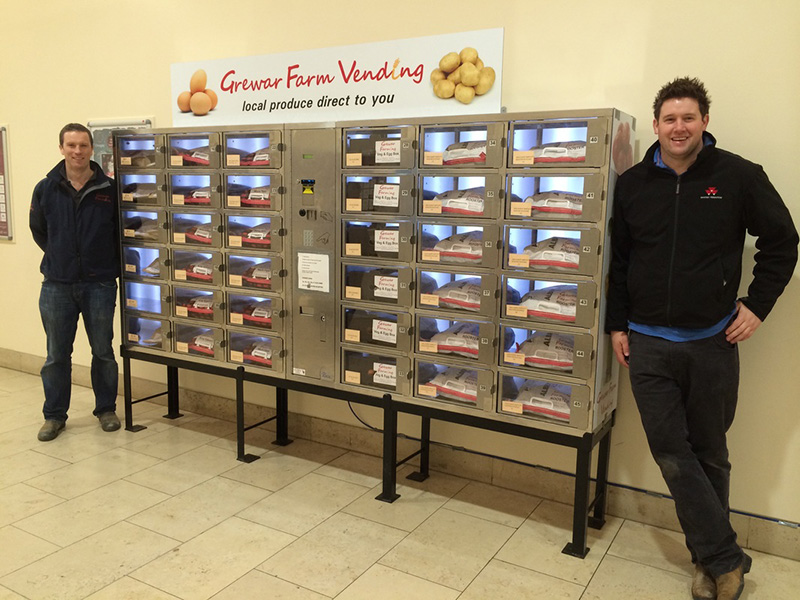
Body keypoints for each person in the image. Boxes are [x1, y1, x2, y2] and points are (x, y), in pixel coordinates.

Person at [606, 78, 798, 600]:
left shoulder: (738, 177)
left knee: (710, 452)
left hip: (713, 343)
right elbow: (620, 261)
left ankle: (707, 561)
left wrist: (756, 306)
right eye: (669, 119)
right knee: (671, 451)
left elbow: (782, 242)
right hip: (647, 344)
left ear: (705, 122)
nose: (679, 127)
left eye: (688, 117)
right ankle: (724, 558)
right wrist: (617, 325)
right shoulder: (634, 184)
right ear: (656, 125)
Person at [30, 123, 122, 441]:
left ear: (91, 149)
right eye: (71, 145)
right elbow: (39, 230)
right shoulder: (46, 188)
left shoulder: (108, 189)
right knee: (56, 355)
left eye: (83, 145)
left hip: (99, 283)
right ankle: (54, 416)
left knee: (103, 352)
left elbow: (116, 234)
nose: (77, 151)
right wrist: (63, 257)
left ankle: (106, 409)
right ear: (61, 148)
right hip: (57, 283)